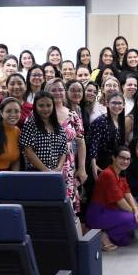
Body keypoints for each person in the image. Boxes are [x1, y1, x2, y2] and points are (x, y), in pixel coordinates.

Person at [89, 145, 138, 250]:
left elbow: (128, 193)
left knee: (124, 241)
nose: (125, 161)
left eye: (128, 159)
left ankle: (105, 233)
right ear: (114, 158)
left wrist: (136, 209)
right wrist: (135, 213)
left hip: (111, 211)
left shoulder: (120, 174)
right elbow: (120, 201)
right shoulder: (108, 174)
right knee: (134, 219)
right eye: (122, 158)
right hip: (99, 213)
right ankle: (102, 235)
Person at [47, 79, 87, 213]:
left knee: (67, 206)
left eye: (60, 89)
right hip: (45, 164)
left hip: (68, 166)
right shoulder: (39, 113)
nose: (58, 93)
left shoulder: (72, 115)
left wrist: (82, 168)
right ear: (47, 91)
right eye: (53, 90)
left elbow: (81, 143)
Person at [19, 91, 68, 174]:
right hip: (35, 173)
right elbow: (28, 151)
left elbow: (63, 150)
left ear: (53, 106)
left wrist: (59, 168)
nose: (45, 109)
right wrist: (46, 171)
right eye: (41, 105)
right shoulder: (30, 125)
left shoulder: (58, 127)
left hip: (55, 173)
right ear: (35, 107)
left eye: (48, 105)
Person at [88, 92, 125, 175]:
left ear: (124, 105)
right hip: (100, 165)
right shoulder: (100, 121)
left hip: (115, 164)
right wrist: (94, 166)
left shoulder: (121, 121)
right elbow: (93, 145)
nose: (117, 106)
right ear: (107, 104)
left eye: (119, 103)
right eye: (114, 103)